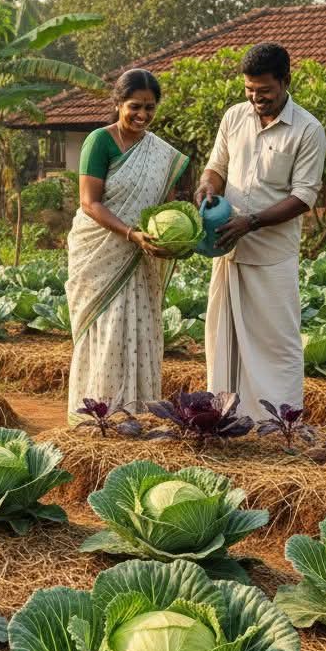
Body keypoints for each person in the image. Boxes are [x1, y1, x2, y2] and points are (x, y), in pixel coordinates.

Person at [194, 42, 326, 420]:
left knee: (277, 344)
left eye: (264, 91)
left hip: (272, 255)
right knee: (224, 340)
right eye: (249, 90)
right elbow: (216, 166)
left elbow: (303, 196)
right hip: (228, 248)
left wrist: (250, 222)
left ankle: (280, 422)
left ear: (285, 81)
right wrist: (208, 186)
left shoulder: (307, 130)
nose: (256, 99)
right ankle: (228, 417)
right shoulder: (234, 117)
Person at [66, 68, 189, 421]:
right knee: (108, 327)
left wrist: (170, 237)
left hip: (142, 253)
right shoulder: (99, 141)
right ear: (118, 103)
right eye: (135, 106)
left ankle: (137, 411)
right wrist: (130, 233)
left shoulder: (158, 152)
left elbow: (163, 205)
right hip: (102, 249)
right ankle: (100, 412)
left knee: (141, 328)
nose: (142, 115)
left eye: (150, 108)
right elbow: (90, 203)